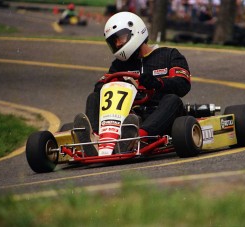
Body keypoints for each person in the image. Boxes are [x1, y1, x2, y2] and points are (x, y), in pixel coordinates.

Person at [74, 12, 191, 156]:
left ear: (135, 31)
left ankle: (136, 139)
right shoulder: (119, 65)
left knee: (173, 99)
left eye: (120, 38)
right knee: (93, 97)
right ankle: (95, 139)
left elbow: (182, 84)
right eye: (113, 41)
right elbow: (101, 86)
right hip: (131, 117)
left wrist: (157, 83)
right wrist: (121, 83)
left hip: (163, 116)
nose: (117, 44)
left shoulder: (169, 55)